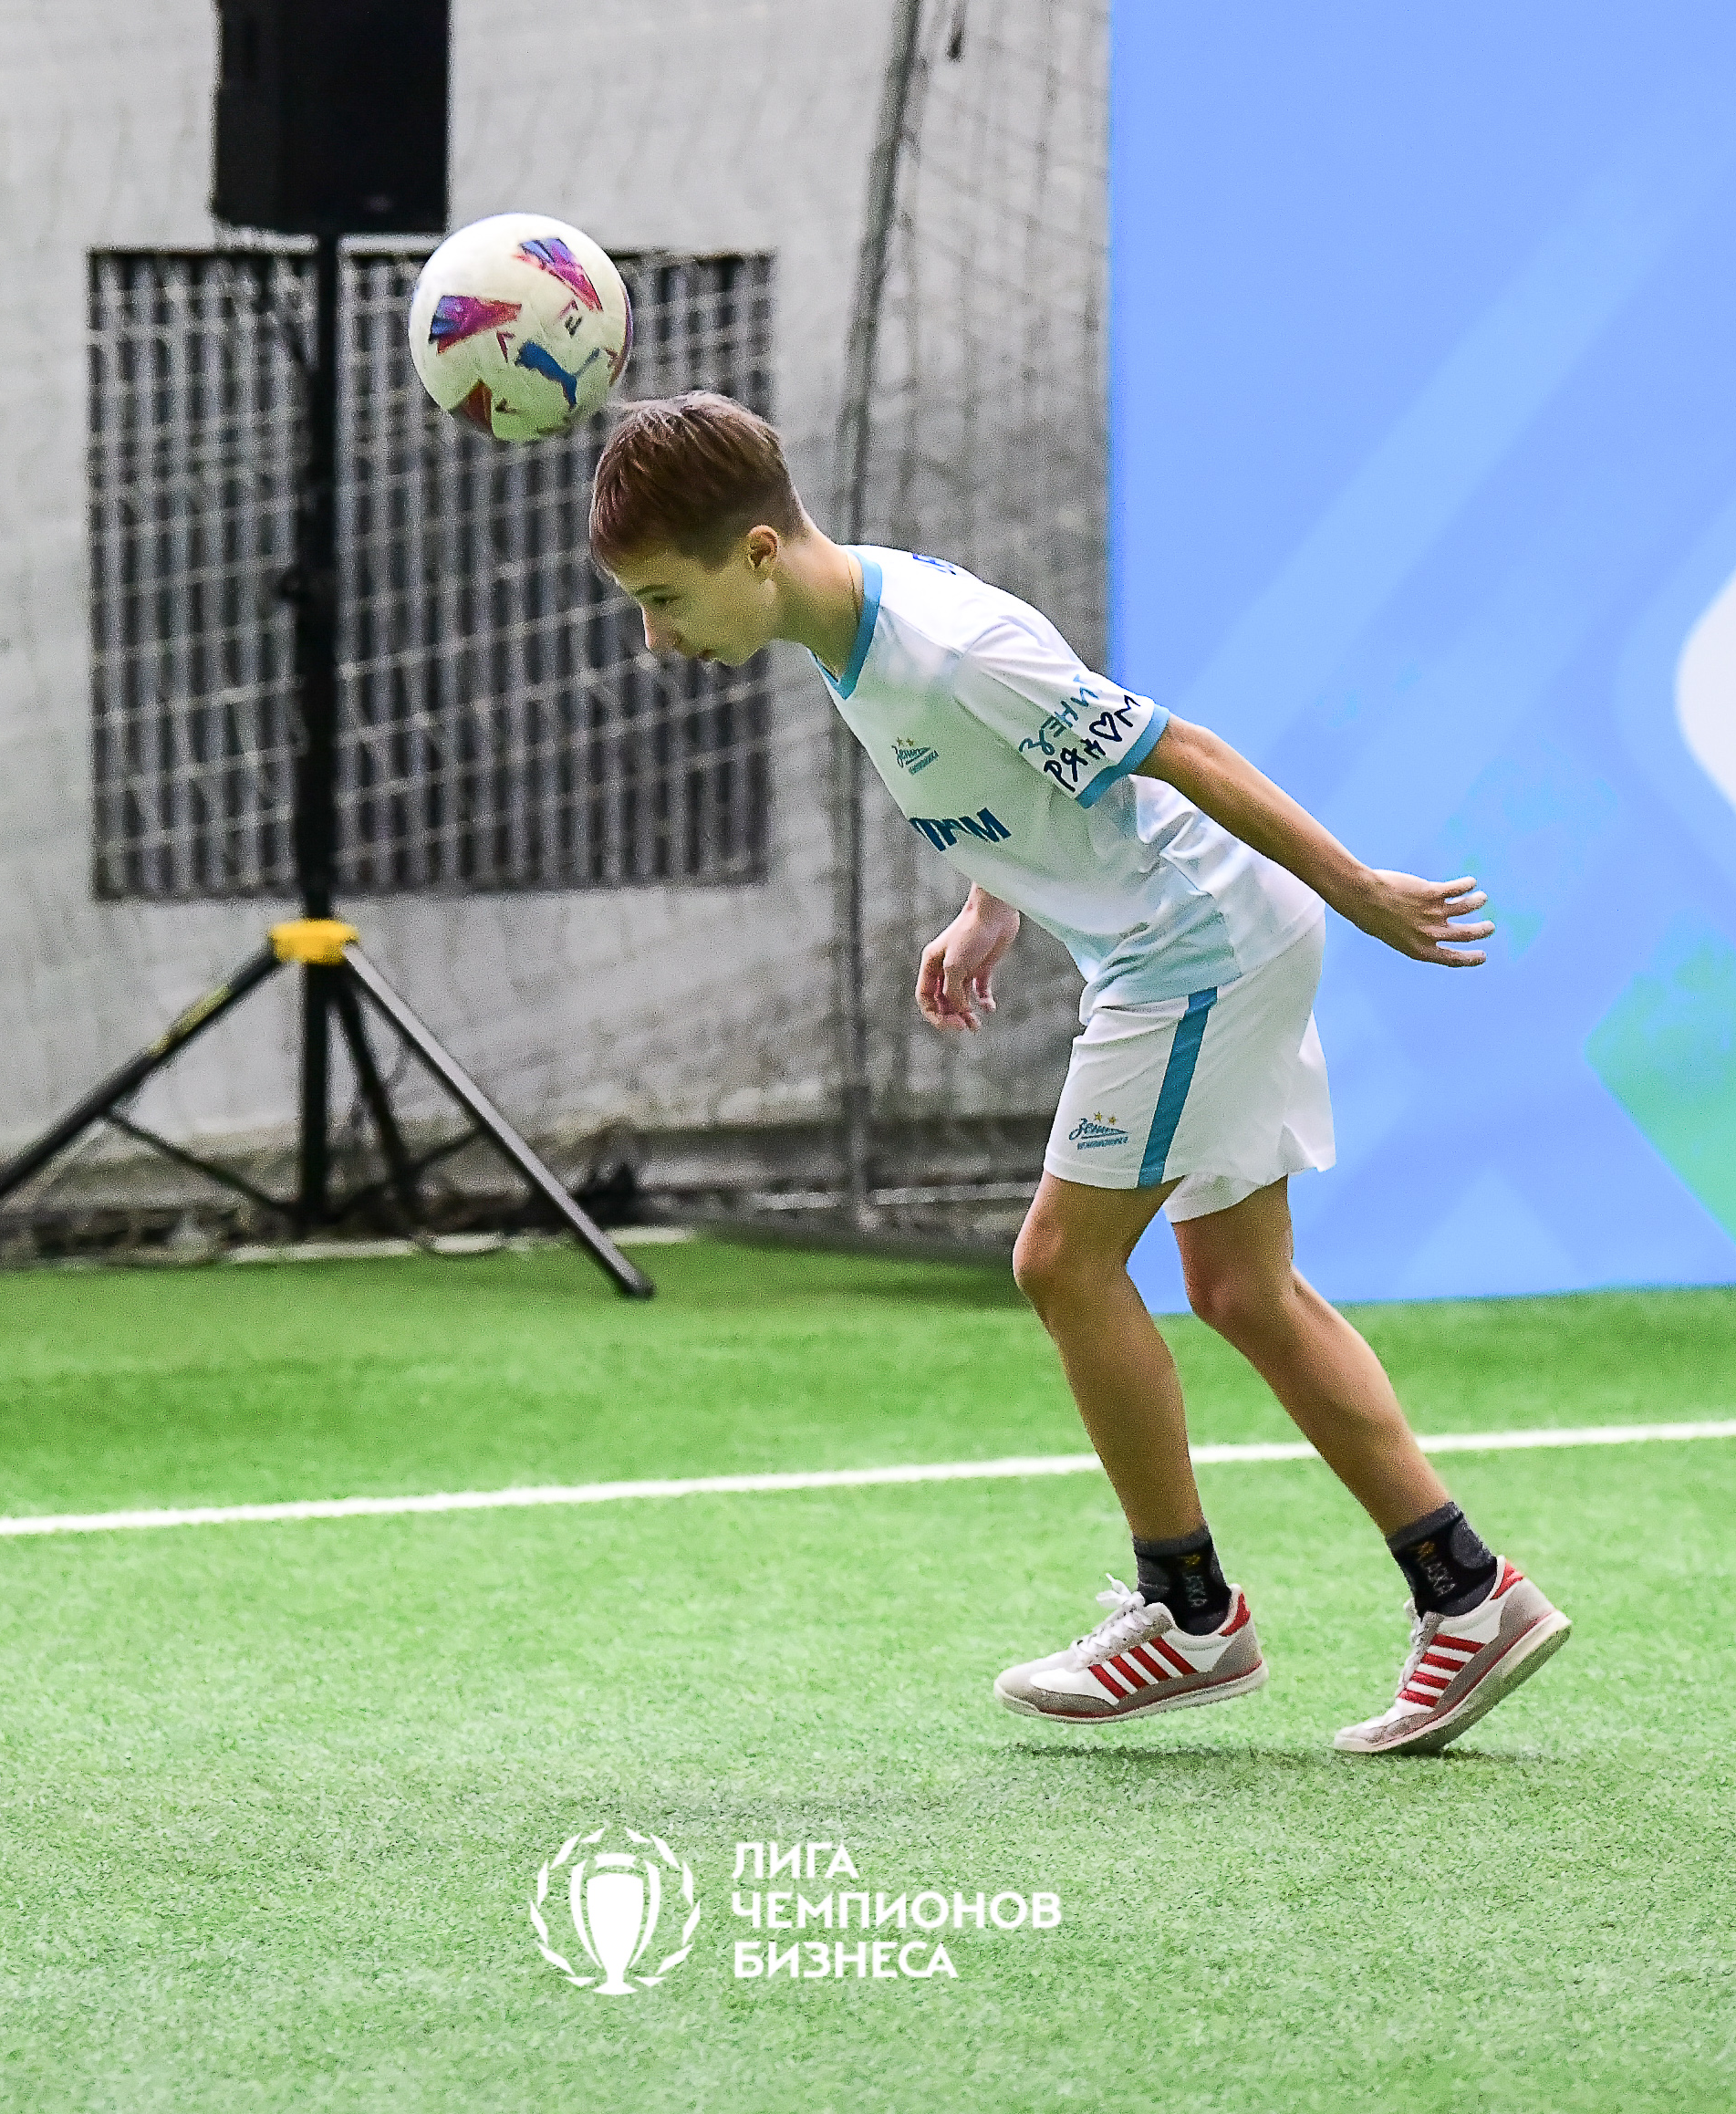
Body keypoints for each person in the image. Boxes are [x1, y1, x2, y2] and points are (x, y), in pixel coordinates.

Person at [589, 392, 1570, 1754]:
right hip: (1182, 940)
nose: (656, 638)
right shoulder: (844, 621)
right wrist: (991, 901)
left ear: (756, 552)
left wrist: (1361, 891)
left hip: (1195, 946)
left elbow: (1184, 752)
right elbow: (1039, 776)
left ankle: (1189, 1611)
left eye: (662, 599)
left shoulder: (945, 650)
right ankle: (1469, 1595)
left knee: (1062, 1262)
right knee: (1243, 1290)